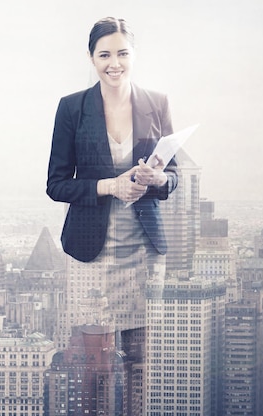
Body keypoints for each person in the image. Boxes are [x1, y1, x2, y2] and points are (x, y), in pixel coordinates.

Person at [46, 17, 178, 334]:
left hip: (142, 250)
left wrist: (158, 180)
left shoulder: (157, 103)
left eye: (122, 53)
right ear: (91, 58)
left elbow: (173, 176)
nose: (114, 63)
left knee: (137, 357)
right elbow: (56, 184)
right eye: (104, 55)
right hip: (90, 249)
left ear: (134, 55)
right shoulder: (71, 108)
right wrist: (111, 186)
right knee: (91, 358)